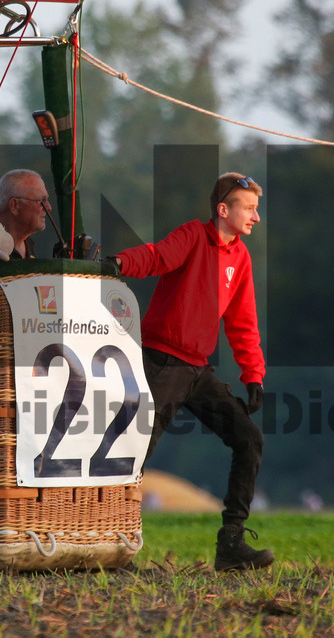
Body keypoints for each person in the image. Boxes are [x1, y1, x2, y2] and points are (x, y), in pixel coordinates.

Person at [107, 172, 272, 572]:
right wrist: (118, 263)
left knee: (248, 439)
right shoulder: (193, 236)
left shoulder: (241, 258)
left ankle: (231, 544)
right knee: (133, 455)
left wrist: (254, 375)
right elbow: (156, 256)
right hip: (162, 363)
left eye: (256, 209)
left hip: (198, 370)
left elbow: (243, 322)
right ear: (223, 209)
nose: (256, 217)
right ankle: (113, 546)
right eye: (249, 208)